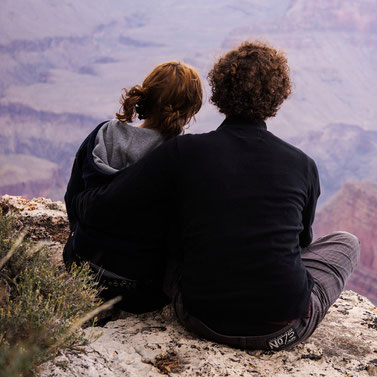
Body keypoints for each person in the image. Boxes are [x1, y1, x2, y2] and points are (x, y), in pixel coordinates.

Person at [70, 41, 360, 350]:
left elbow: (104, 205)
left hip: (198, 316)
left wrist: (80, 200)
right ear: (278, 96)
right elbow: (301, 245)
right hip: (280, 330)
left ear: (219, 90)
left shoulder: (183, 152)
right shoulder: (303, 165)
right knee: (346, 243)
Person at [63, 61, 203, 313]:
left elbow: (73, 194)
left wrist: (86, 239)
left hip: (80, 263)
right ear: (188, 111)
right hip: (138, 289)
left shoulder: (103, 133)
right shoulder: (177, 157)